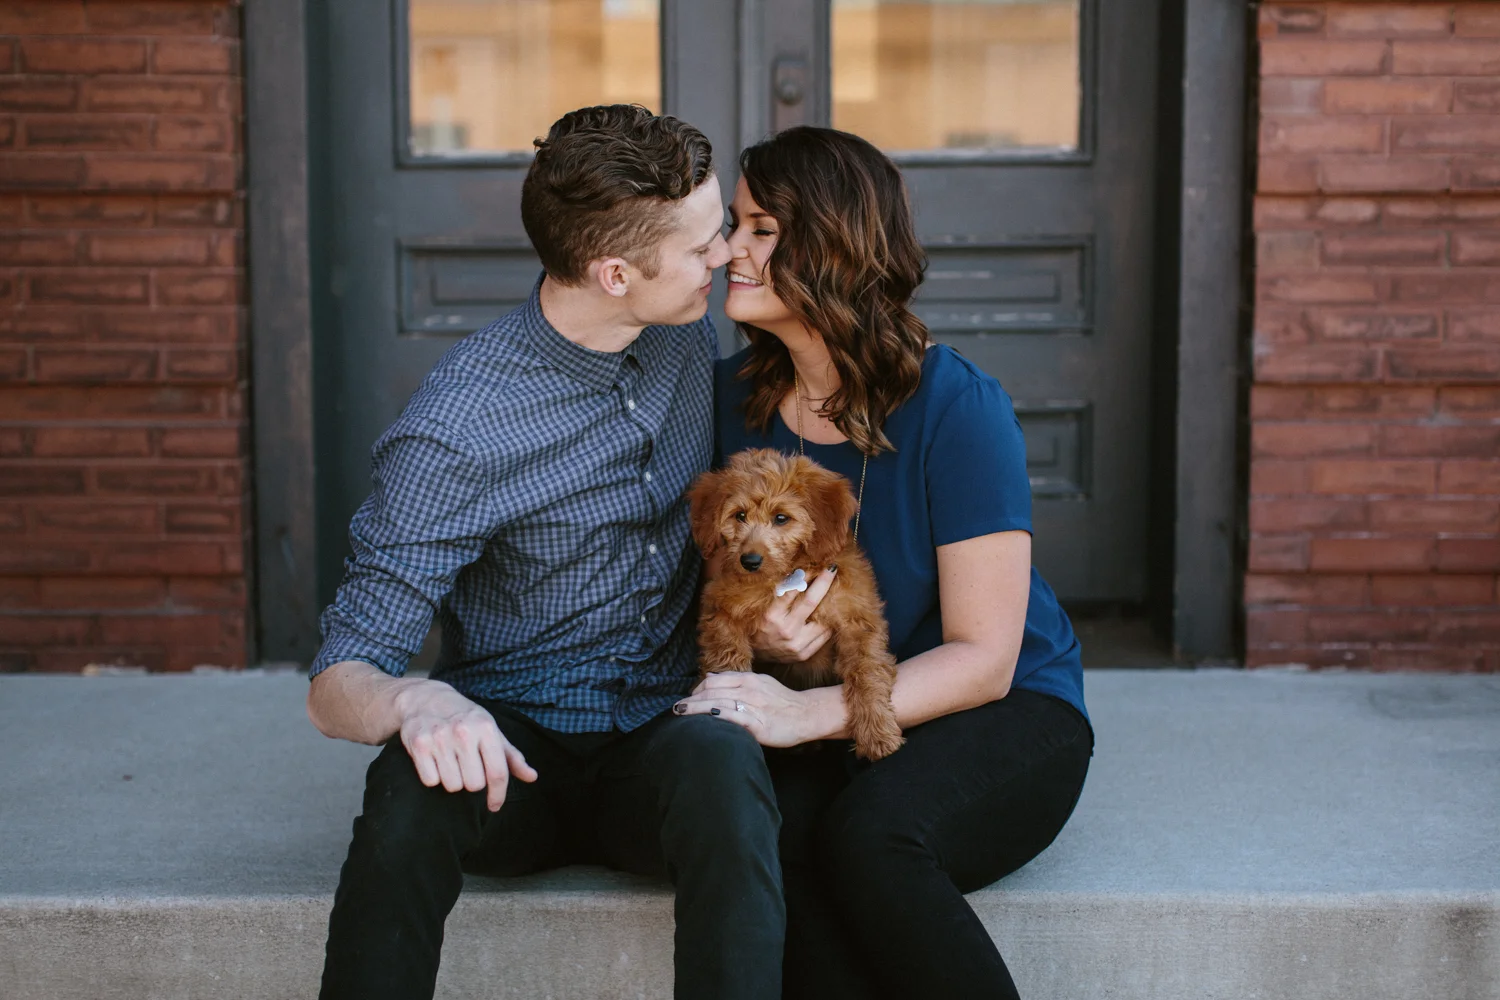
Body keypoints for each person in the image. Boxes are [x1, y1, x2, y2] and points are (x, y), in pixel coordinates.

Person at [306, 105, 785, 1000]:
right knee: (405, 794)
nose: (725, 255)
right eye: (702, 244)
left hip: (659, 739)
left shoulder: (685, 335)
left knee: (727, 763)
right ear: (613, 274)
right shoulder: (457, 431)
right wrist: (417, 701)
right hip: (512, 756)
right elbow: (338, 677)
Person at [673, 126, 1094, 1000]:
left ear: (826, 246)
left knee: (871, 836)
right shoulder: (725, 401)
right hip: (830, 699)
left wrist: (813, 711)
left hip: (1000, 710)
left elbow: (987, 656)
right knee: (773, 844)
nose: (726, 251)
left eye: (757, 229)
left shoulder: (955, 406)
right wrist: (774, 654)